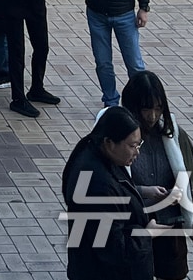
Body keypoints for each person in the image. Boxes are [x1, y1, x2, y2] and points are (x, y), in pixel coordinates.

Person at [117, 72, 193, 280]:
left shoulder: (174, 136)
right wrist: (144, 191)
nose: (152, 116)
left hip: (170, 224)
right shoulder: (116, 140)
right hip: (134, 224)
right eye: (146, 108)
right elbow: (110, 186)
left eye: (158, 108)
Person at [61, 106, 154, 280]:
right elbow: (114, 249)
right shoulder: (98, 185)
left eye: (139, 144)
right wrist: (146, 234)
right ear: (109, 143)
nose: (137, 152)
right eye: (132, 145)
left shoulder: (92, 152)